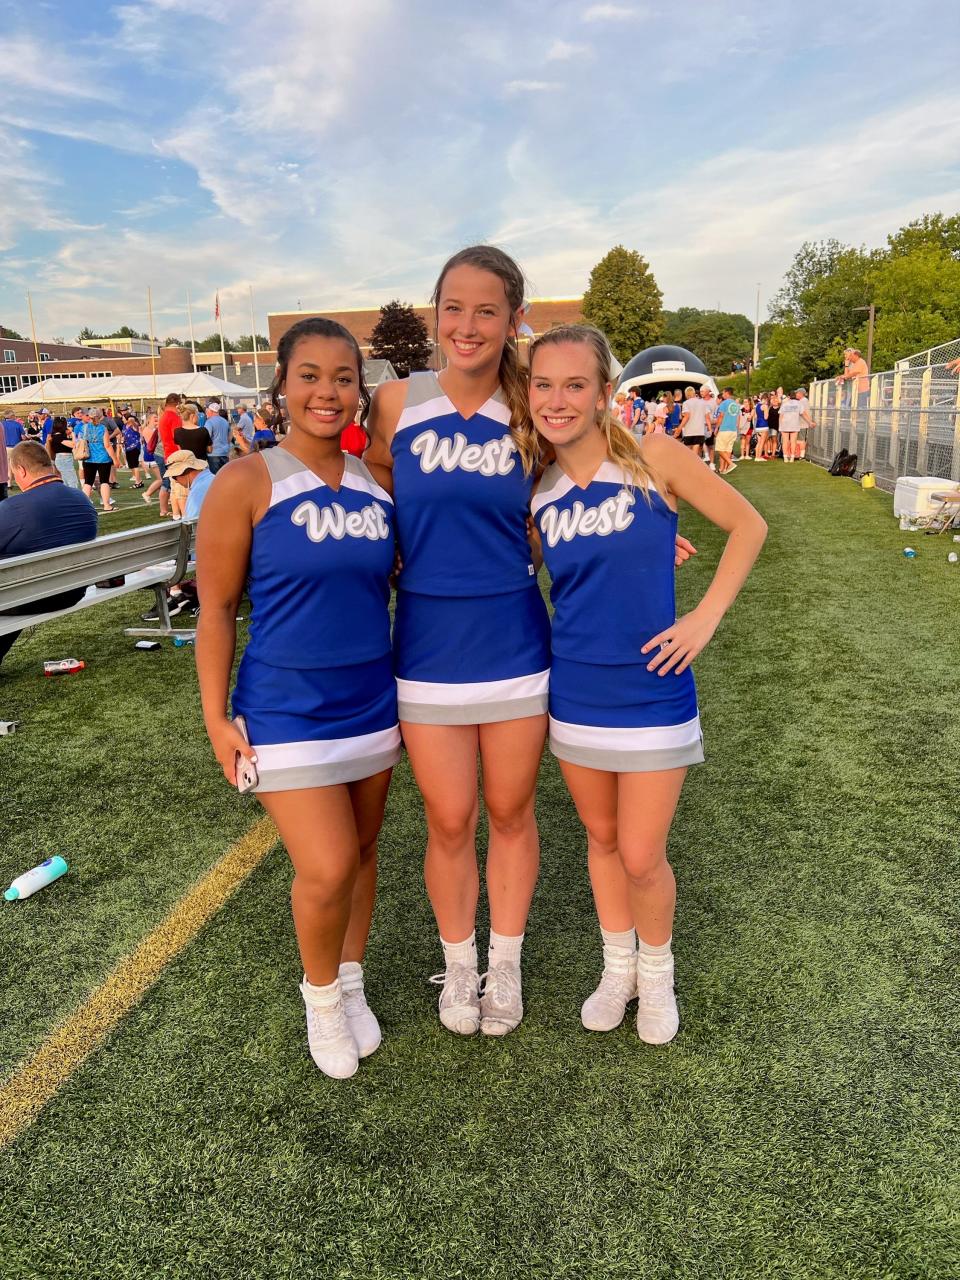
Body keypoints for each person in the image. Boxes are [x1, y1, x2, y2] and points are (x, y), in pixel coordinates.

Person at [367, 244, 695, 1039]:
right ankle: (459, 965)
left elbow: (595, 459)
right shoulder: (396, 401)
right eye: (454, 307)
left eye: (488, 310)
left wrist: (648, 537)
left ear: (515, 319)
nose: (468, 325)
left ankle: (504, 967)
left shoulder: (530, 402)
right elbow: (377, 480)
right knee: (448, 821)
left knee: (510, 812)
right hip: (425, 647)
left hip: (516, 641)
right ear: (434, 312)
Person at [525, 324, 766, 1043]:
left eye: (575, 385)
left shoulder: (654, 456)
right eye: (544, 384)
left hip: (654, 687)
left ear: (605, 392)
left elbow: (748, 527)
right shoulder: (537, 490)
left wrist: (705, 617)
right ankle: (617, 968)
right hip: (575, 691)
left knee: (641, 853)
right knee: (600, 842)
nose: (558, 400)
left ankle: (657, 976)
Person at [195, 317, 400, 1080]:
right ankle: (319, 999)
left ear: (360, 389)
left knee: (366, 855)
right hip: (284, 711)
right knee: (326, 866)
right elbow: (216, 611)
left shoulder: (382, 485)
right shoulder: (247, 480)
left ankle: (350, 980)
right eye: (310, 374)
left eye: (343, 377)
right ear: (282, 384)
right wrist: (217, 721)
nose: (327, 391)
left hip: (371, 704)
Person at [0, 441, 98, 667]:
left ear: (21, 470)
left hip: (31, 594)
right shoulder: (81, 499)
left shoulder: (13, 508)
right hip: (72, 589)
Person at [79, 409, 119, 512]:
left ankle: (83, 506)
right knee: (104, 481)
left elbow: (80, 441)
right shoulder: (103, 428)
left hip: (88, 458)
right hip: (103, 458)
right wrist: (115, 459)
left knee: (88, 483)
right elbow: (107, 445)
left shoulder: (84, 427)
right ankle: (106, 505)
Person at [164, 448, 214, 521]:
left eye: (174, 476)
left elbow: (193, 524)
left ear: (185, 471)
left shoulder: (197, 491)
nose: (175, 481)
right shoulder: (212, 476)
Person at [779, 387, 816, 462]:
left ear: (789, 396)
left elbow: (781, 416)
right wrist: (810, 422)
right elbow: (804, 414)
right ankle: (792, 457)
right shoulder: (799, 404)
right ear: (795, 396)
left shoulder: (784, 404)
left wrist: (780, 426)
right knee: (793, 441)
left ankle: (785, 457)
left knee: (785, 441)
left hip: (785, 425)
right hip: (794, 425)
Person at [47, 416, 81, 489]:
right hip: (64, 459)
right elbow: (73, 445)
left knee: (66, 481)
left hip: (62, 459)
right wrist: (73, 434)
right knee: (72, 482)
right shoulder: (58, 437)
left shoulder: (55, 436)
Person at [711, 389, 740, 475]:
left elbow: (721, 416)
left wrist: (716, 428)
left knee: (719, 449)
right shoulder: (736, 404)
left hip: (724, 429)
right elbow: (738, 417)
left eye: (723, 393)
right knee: (727, 450)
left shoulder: (724, 403)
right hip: (733, 430)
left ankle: (730, 464)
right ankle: (724, 469)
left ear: (727, 393)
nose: (722, 394)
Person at [677, 386, 709, 457]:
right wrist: (709, 428)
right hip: (699, 431)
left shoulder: (686, 403)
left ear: (686, 394)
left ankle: (689, 467)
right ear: (694, 393)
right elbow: (707, 417)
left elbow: (687, 416)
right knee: (695, 453)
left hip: (689, 431)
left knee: (688, 453)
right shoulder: (702, 402)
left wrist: (679, 428)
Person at [203, 402, 231, 473]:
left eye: (207, 411)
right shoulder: (225, 421)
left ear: (211, 411)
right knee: (224, 476)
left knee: (215, 478)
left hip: (213, 453)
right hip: (225, 452)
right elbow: (230, 437)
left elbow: (206, 438)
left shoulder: (209, 422)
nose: (207, 413)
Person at [122, 415, 144, 487]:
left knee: (135, 465)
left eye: (123, 418)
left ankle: (138, 482)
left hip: (135, 447)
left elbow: (136, 428)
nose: (122, 419)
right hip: (127, 447)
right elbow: (124, 435)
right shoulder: (124, 426)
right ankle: (139, 480)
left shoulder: (134, 425)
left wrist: (132, 421)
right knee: (131, 465)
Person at [752, 394, 769, 461]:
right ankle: (759, 457)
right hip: (764, 425)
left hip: (758, 425)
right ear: (766, 399)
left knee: (759, 442)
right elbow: (766, 417)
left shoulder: (757, 406)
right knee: (762, 442)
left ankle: (757, 456)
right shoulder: (765, 406)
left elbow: (756, 416)